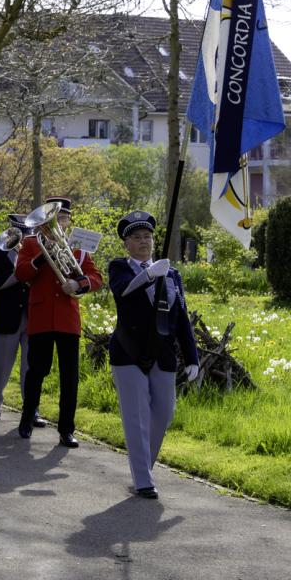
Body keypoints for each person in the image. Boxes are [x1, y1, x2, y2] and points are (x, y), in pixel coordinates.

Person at [108, 211, 199, 499]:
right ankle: (143, 479)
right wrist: (148, 275)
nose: (143, 242)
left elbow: (181, 317)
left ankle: (143, 467)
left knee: (164, 413)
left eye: (147, 237)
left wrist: (193, 357)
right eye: (136, 238)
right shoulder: (119, 267)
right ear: (126, 243)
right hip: (129, 352)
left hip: (162, 353)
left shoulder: (171, 273)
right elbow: (124, 292)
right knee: (136, 416)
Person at [15, 196, 102, 448]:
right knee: (36, 371)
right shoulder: (31, 243)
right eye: (56, 217)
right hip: (41, 316)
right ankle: (27, 417)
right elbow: (20, 273)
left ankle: (66, 429)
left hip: (67, 318)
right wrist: (41, 258)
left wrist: (79, 283)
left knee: (69, 376)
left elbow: (96, 277)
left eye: (63, 218)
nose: (59, 222)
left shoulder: (79, 246)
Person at [0, 214, 46, 427]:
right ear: (10, 231)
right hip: (6, 313)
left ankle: (31, 409)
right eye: (19, 233)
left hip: (33, 314)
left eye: (27, 233)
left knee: (31, 365)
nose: (22, 239)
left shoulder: (38, 250)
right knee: (2, 362)